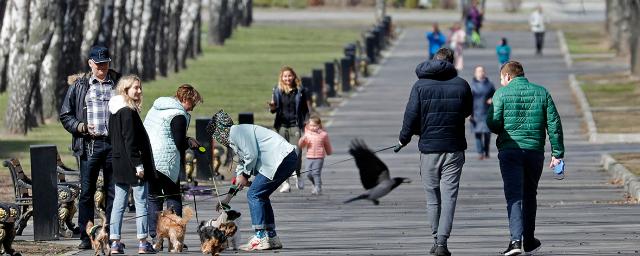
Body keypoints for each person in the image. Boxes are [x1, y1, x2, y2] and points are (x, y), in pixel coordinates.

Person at [394, 48, 473, 256]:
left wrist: (403, 139)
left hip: (429, 149)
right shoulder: (462, 85)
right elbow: (467, 111)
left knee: (432, 197)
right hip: (454, 148)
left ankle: (436, 238)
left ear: (433, 61)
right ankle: (442, 242)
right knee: (449, 197)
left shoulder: (419, 86)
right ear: (452, 62)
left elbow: (410, 116)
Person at [487, 61, 564, 256]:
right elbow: (554, 123)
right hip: (534, 151)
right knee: (530, 194)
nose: (502, 82)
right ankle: (529, 240)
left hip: (510, 151)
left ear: (508, 77)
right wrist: (557, 153)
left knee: (514, 195)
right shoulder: (542, 92)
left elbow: (493, 124)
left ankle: (515, 241)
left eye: (502, 79)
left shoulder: (501, 94)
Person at [206, 110, 298, 251]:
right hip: (284, 159)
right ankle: (271, 237)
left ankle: (260, 237)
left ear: (220, 130)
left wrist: (245, 174)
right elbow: (242, 168)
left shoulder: (236, 132)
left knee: (254, 194)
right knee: (261, 194)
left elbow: (252, 155)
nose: (218, 139)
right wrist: (227, 198)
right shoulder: (236, 138)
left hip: (280, 158)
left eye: (216, 135)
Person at [60, 45, 120, 250]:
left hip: (113, 145)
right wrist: (81, 127)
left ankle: (111, 234)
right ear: (90, 64)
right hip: (90, 145)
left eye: (105, 63)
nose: (102, 67)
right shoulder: (79, 86)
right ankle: (87, 236)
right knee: (87, 192)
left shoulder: (119, 84)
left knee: (114, 192)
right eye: (98, 64)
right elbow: (66, 115)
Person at [143, 84, 203, 247]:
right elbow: (178, 142)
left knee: (153, 197)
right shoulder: (178, 114)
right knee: (173, 196)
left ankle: (156, 237)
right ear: (185, 99)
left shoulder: (157, 108)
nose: (192, 109)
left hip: (149, 157)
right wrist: (189, 142)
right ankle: (174, 237)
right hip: (166, 160)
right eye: (192, 104)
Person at [107, 75, 156, 254]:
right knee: (141, 201)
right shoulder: (127, 111)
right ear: (125, 89)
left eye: (140, 87)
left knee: (118, 203)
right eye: (136, 87)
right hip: (132, 164)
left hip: (119, 162)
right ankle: (143, 242)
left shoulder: (114, 110)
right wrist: (138, 165)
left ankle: (114, 242)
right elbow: (130, 141)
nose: (139, 91)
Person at [268, 66, 311, 193]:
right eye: (285, 76)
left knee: (297, 153)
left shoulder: (300, 91)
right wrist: (272, 107)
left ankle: (298, 175)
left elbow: (305, 109)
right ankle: (285, 182)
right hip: (281, 126)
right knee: (282, 155)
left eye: (289, 76)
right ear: (281, 78)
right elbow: (273, 110)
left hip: (295, 125)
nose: (287, 78)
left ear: (294, 76)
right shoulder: (277, 90)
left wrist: (308, 124)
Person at [298, 115, 333, 195]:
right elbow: (301, 146)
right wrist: (302, 140)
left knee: (316, 173)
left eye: (315, 125)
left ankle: (318, 187)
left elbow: (327, 144)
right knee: (308, 174)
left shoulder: (323, 134)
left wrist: (329, 152)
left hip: (319, 157)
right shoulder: (307, 134)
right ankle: (316, 183)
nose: (313, 127)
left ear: (319, 125)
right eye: (311, 125)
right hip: (309, 157)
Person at [469, 66, 495, 160]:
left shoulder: (490, 84)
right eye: (478, 71)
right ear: (475, 73)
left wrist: (492, 99)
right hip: (475, 111)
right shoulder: (472, 85)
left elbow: (495, 95)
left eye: (482, 71)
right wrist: (469, 113)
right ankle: (480, 152)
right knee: (478, 133)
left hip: (487, 111)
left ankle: (486, 151)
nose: (481, 73)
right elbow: (468, 100)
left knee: (487, 133)